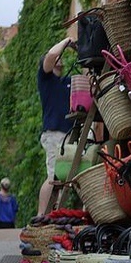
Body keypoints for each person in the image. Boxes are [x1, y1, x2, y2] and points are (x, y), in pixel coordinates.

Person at [37, 36, 74, 215]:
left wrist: (78, 49)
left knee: (65, 177)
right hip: (53, 133)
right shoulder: (46, 78)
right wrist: (67, 41)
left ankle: (55, 215)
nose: (59, 59)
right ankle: (40, 216)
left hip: (69, 133)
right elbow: (52, 54)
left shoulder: (68, 82)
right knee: (53, 176)